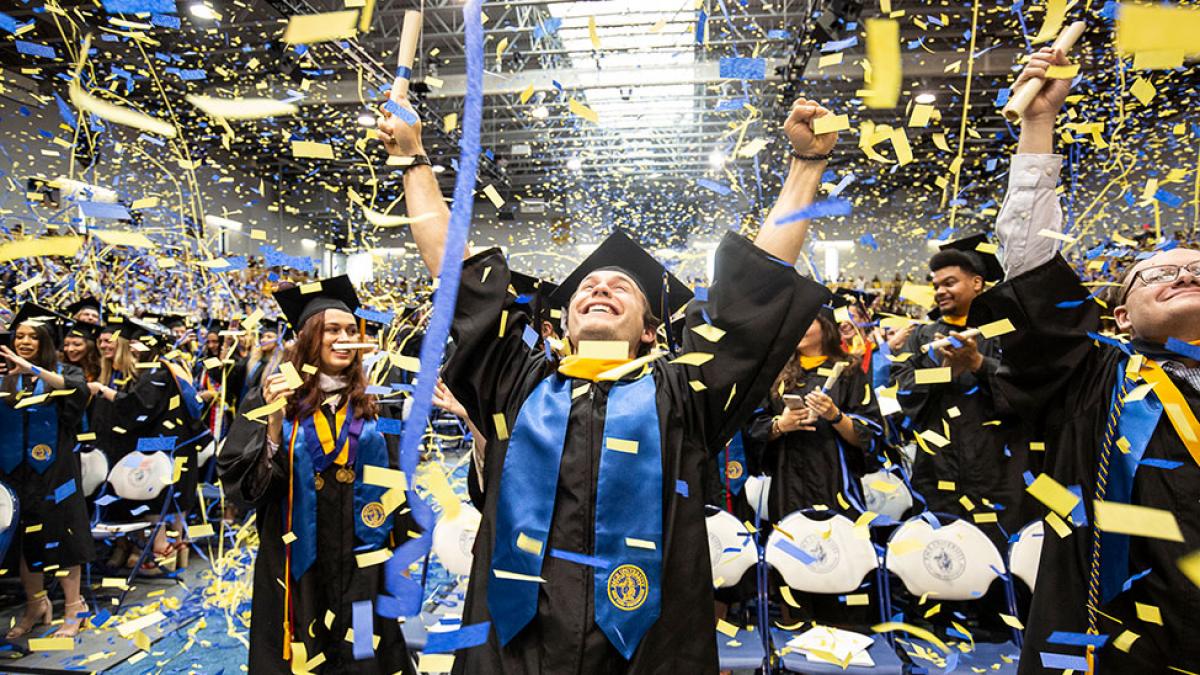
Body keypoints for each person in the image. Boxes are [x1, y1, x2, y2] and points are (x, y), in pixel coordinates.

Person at [377, 94, 835, 673]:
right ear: (562, 324)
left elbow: (754, 292)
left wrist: (806, 167)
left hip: (647, 650)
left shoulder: (683, 394)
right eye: (587, 287)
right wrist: (414, 158)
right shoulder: (520, 382)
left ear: (649, 330)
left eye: (622, 288)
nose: (598, 288)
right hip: (518, 648)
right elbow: (458, 277)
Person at [978, 45, 1200, 674]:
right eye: (1158, 272)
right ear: (1120, 314)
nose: (1184, 271)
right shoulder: (1093, 374)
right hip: (1122, 643)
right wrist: (1038, 126)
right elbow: (1034, 272)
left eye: (1197, 270)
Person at [218, 277, 422, 674]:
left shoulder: (377, 405)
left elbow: (396, 480)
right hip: (298, 565)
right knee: (303, 652)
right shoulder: (269, 398)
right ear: (310, 339)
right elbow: (246, 488)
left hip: (363, 565)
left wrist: (402, 547)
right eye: (333, 330)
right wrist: (274, 425)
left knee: (362, 649)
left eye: (350, 330)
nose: (344, 338)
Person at [889, 235, 1033, 544]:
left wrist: (979, 364)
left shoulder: (1004, 330)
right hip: (938, 468)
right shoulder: (921, 337)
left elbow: (1028, 385)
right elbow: (905, 389)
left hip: (999, 465)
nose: (941, 291)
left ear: (977, 283)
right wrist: (943, 372)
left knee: (1000, 552)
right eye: (936, 285)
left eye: (950, 282)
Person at [0, 305, 95, 638]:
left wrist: (31, 369)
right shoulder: (4, 375)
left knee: (64, 538)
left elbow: (76, 393)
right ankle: (36, 604)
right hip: (14, 472)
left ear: (45, 341)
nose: (24, 341)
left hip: (57, 471)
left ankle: (74, 607)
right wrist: (12, 377)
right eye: (19, 335)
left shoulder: (64, 372)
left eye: (32, 336)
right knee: (28, 541)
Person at [87, 318, 207, 574]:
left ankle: (163, 552)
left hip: (162, 445)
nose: (133, 347)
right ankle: (174, 553)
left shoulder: (158, 372)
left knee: (159, 498)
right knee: (170, 502)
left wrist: (103, 391)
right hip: (172, 444)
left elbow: (138, 407)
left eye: (138, 342)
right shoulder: (169, 369)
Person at [748, 309, 884, 520]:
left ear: (826, 327)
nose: (798, 327)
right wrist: (781, 425)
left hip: (836, 480)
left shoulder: (849, 370)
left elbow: (870, 434)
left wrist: (835, 416)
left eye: (807, 321)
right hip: (788, 482)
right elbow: (753, 429)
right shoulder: (775, 372)